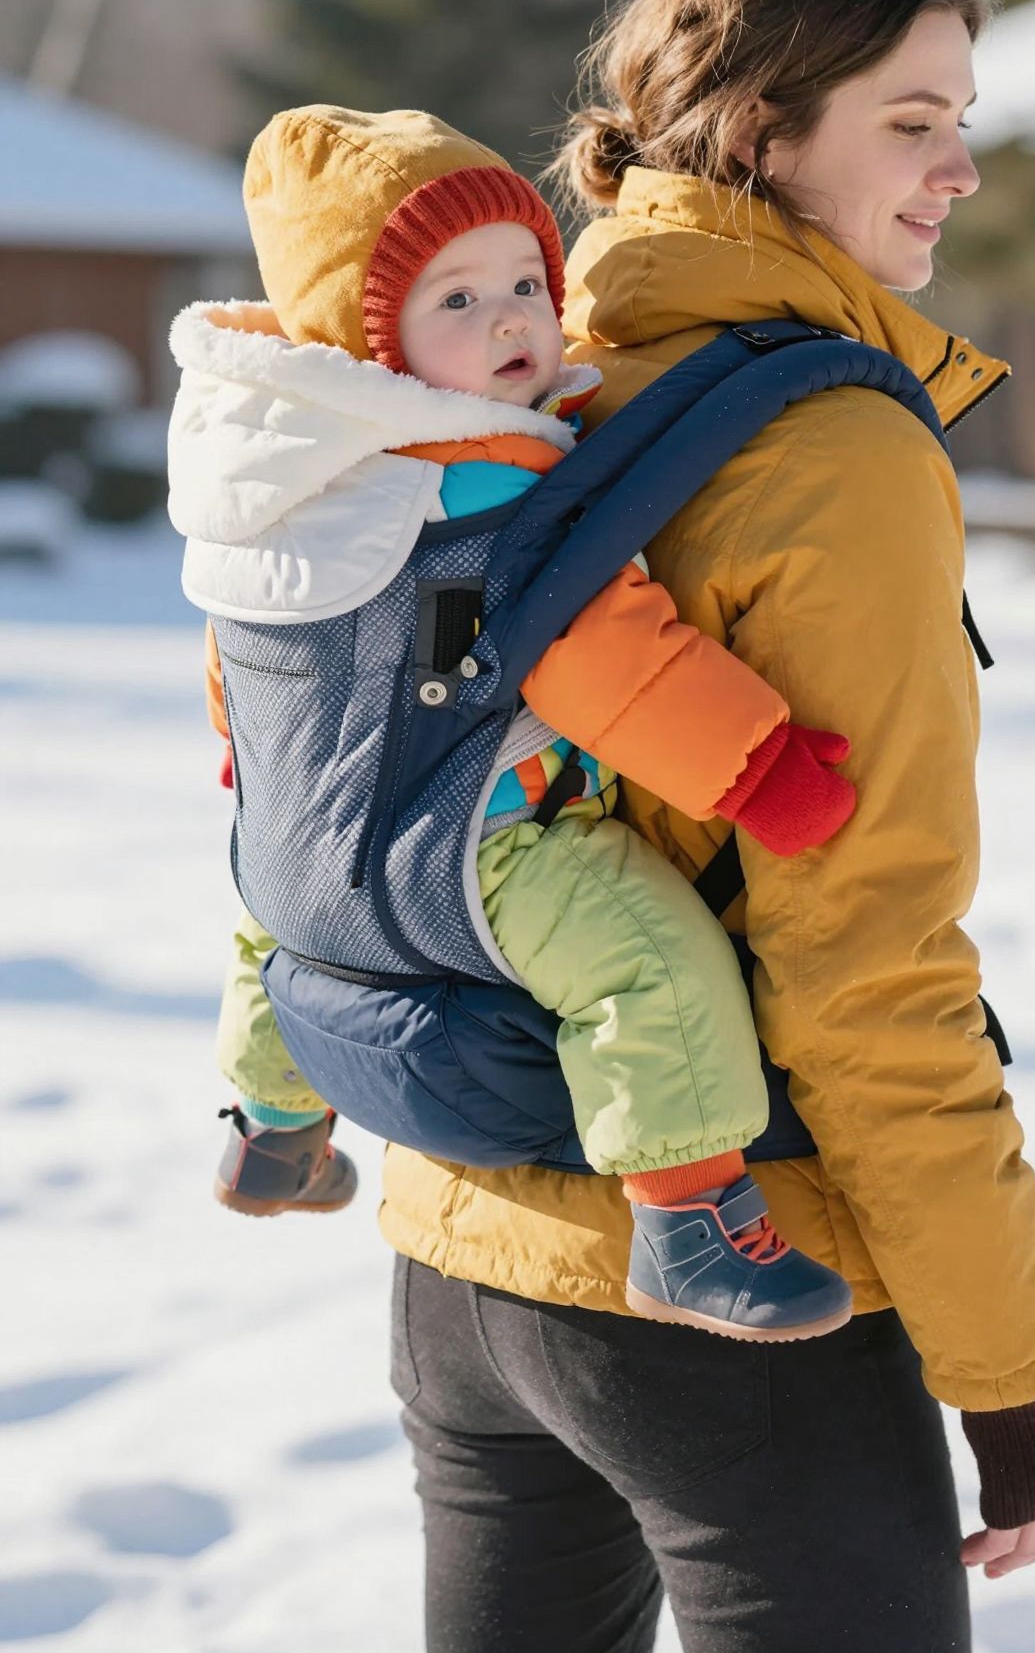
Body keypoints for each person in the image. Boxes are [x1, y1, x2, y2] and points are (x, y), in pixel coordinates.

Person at [374, 0, 1035, 1653]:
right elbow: (863, 959)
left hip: (469, 1255)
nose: (953, 168)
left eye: (962, 119)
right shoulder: (830, 451)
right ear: (764, 129)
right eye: (908, 121)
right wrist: (1014, 1373)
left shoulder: (533, 363)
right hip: (731, 1293)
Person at [169, 102, 861, 1341]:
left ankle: (272, 1132)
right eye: (454, 301)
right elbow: (612, 662)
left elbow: (243, 660)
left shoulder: (272, 482)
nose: (510, 319)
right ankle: (692, 1220)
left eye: (528, 280)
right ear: (365, 341)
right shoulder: (482, 489)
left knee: (271, 936)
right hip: (477, 844)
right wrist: (761, 772)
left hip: (292, 838)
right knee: (648, 962)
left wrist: (263, 771)